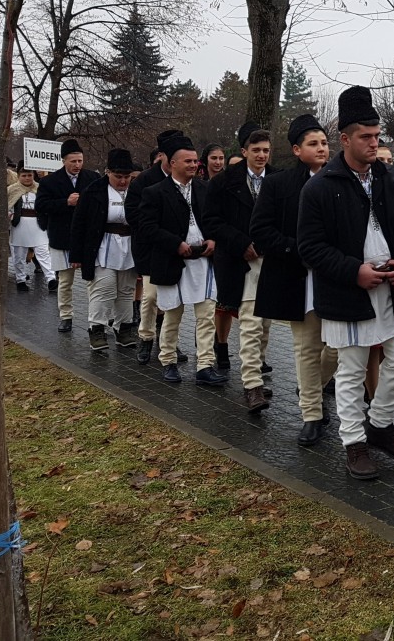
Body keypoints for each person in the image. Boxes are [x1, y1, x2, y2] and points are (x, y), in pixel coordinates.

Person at [298, 86, 394, 479]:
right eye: (366, 137)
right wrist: (354, 271)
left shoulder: (393, 180)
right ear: (345, 139)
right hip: (347, 291)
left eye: (377, 135)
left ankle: (380, 424)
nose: (374, 143)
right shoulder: (320, 186)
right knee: (351, 371)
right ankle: (354, 444)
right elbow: (310, 247)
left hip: (393, 288)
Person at [251, 114, 338, 446]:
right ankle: (311, 415)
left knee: (337, 347)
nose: (321, 148)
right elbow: (260, 231)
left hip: (334, 276)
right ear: (297, 150)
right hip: (296, 277)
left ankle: (312, 387)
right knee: (306, 347)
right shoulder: (278, 185)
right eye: (313, 144)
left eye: (324, 143)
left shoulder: (340, 181)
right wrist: (295, 248)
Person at [135, 134, 225, 386]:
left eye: (196, 161)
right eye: (187, 161)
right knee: (172, 315)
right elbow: (146, 227)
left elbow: (217, 221)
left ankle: (205, 365)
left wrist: (214, 240)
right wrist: (175, 244)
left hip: (203, 262)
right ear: (172, 163)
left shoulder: (206, 189)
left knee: (206, 315)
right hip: (171, 261)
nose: (193, 165)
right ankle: (168, 360)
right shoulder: (155, 192)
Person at [205, 123, 276, 412]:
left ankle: (256, 371)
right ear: (244, 151)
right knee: (249, 321)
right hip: (240, 261)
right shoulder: (223, 182)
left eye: (266, 151)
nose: (261, 156)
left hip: (271, 261)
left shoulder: (277, 180)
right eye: (256, 150)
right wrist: (240, 243)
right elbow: (211, 221)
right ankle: (251, 385)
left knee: (266, 325)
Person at [126, 130, 187, 365]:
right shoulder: (143, 181)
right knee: (150, 297)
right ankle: (146, 338)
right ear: (162, 156)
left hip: (177, 250)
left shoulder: (186, 181)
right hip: (150, 249)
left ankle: (168, 341)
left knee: (173, 301)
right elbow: (134, 216)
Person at [70, 149, 139, 352]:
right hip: (102, 245)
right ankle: (96, 328)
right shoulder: (94, 191)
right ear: (108, 172)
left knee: (126, 290)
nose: (123, 181)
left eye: (127, 177)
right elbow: (78, 223)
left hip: (128, 246)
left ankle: (123, 328)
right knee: (104, 288)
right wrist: (76, 254)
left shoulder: (136, 191)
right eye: (118, 176)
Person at [35, 138, 98, 332]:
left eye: (80, 161)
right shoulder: (49, 181)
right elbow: (41, 206)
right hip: (62, 238)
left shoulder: (93, 178)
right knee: (65, 281)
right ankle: (66, 316)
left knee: (92, 281)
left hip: (87, 238)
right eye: (73, 161)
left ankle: (95, 320)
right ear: (63, 161)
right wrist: (65, 202)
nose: (77, 165)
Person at [8, 165, 54, 292]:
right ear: (18, 176)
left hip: (37, 224)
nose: (27, 178)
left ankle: (51, 279)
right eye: (24, 175)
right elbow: (8, 204)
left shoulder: (40, 189)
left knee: (43, 252)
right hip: (19, 224)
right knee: (19, 253)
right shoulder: (12, 190)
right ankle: (20, 279)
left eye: (29, 175)